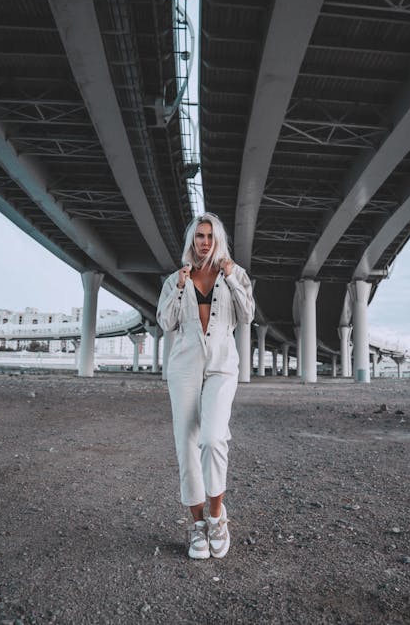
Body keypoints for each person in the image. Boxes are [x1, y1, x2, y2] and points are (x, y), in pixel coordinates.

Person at [157, 212, 254, 559]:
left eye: (211, 236)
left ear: (219, 240)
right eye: (199, 235)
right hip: (184, 366)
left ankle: (217, 518)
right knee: (186, 444)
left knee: (213, 439)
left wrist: (231, 279)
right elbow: (165, 321)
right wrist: (181, 286)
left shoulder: (235, 273)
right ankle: (197, 525)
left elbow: (247, 315)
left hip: (221, 366)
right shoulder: (175, 279)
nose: (205, 241)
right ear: (192, 240)